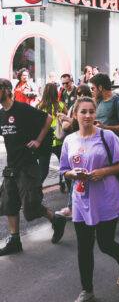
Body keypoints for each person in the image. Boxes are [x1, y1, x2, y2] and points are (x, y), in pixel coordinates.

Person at [60, 97, 119, 302]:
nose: (88, 116)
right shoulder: (69, 140)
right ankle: (87, 290)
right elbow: (65, 170)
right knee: (84, 246)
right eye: (83, 112)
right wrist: (72, 174)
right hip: (81, 199)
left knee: (105, 243)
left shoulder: (107, 136)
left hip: (107, 197)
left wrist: (103, 171)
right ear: (75, 115)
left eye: (92, 111)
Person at [0, 78, 67, 256]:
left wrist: (38, 140)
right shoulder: (1, 114)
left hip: (27, 164)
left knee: (31, 206)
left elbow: (48, 118)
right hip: (12, 165)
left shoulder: (21, 109)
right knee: (8, 203)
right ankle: (15, 240)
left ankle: (56, 220)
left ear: (6, 90)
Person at [56, 84, 93, 219]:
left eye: (85, 93)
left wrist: (68, 119)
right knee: (76, 175)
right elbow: (66, 127)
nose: (82, 96)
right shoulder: (73, 107)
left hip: (91, 145)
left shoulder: (92, 108)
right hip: (76, 145)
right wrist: (67, 120)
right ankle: (73, 207)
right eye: (79, 94)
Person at [37, 83, 68, 187]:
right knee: (65, 167)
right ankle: (65, 184)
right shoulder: (60, 105)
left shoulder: (39, 106)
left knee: (42, 172)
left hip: (45, 142)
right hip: (59, 140)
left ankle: (35, 193)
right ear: (55, 92)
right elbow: (68, 120)